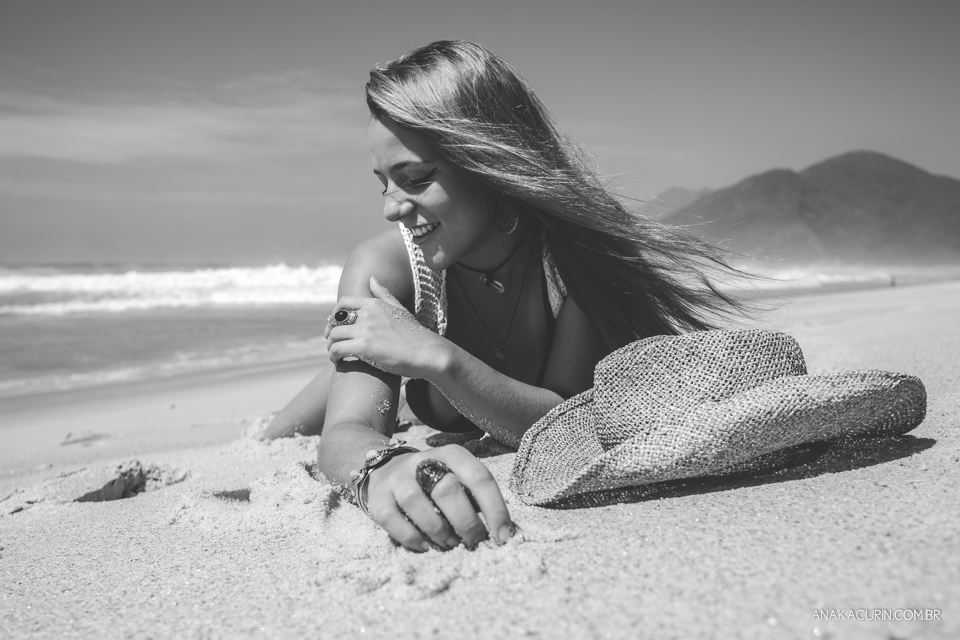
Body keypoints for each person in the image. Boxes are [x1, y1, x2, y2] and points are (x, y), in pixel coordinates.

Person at [265, 40, 748, 552]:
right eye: (383, 183)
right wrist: (383, 464)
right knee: (276, 436)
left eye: (416, 179)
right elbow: (346, 432)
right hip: (404, 368)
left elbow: (561, 423)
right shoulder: (385, 268)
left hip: (417, 361)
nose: (392, 208)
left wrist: (433, 356)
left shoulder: (573, 257)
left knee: (393, 354)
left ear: (487, 162)